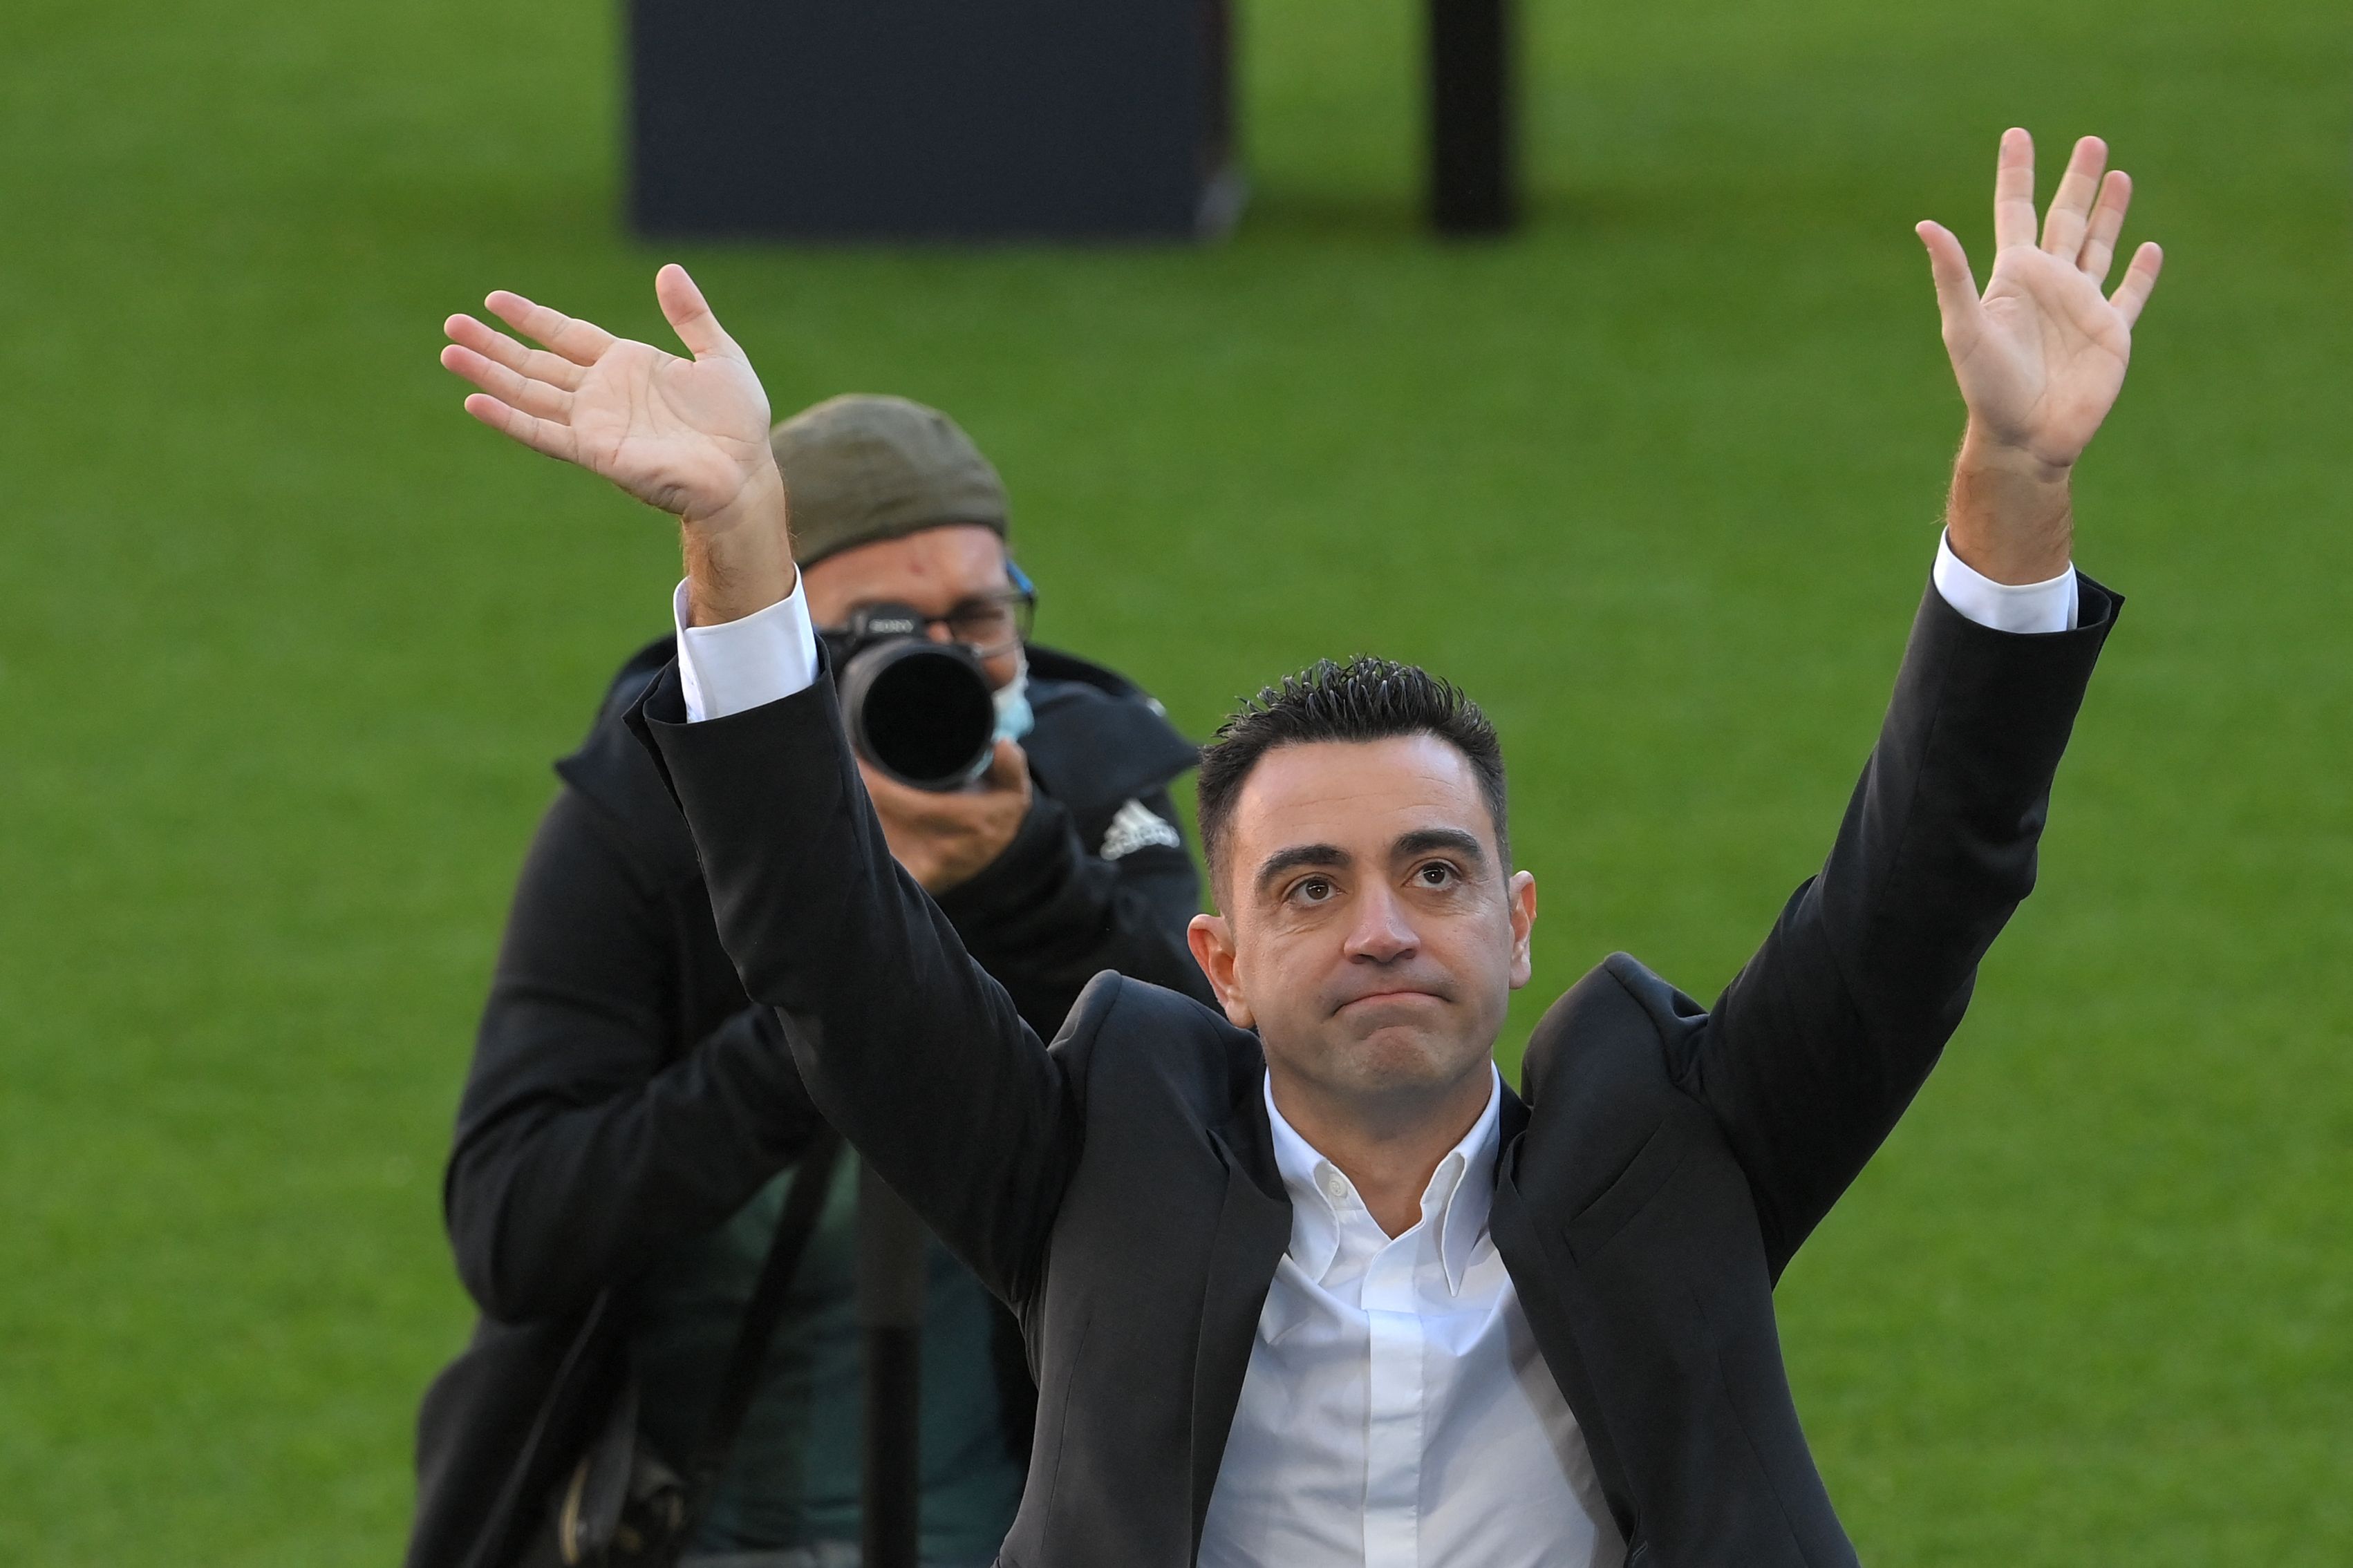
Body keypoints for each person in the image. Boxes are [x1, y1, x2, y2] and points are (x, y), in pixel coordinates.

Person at [438, 128, 2162, 1565]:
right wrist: (742, 549)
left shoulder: (1688, 1154)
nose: (1383, 927)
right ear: (1221, 960)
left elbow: (1928, 883)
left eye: (1434, 871)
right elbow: (825, 945)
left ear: (1519, 922)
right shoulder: (1086, 1171)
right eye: (1309, 885)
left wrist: (2012, 485)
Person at [415, 395, 1212, 1567]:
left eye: (981, 620)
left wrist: (1023, 882)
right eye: (884, 632)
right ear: (775, 645)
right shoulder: (643, 812)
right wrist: (832, 957)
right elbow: (518, 1227)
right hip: (692, 1525)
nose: (944, 671)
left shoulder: (1085, 786)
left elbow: (1228, 1123)